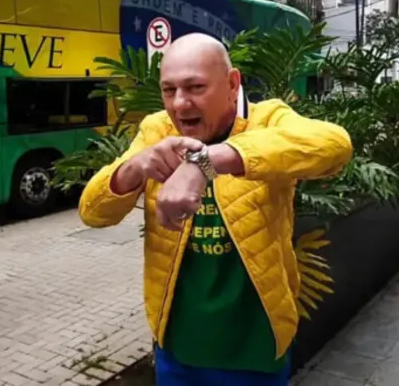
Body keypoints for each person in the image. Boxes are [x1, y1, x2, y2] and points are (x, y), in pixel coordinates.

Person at [78, 33, 354, 385]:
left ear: (232, 84)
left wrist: (207, 162)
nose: (179, 104)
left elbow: (334, 145)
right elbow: (93, 212)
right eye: (169, 90)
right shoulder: (156, 130)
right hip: (176, 348)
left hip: (255, 350)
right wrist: (134, 168)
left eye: (195, 87)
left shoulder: (267, 120)